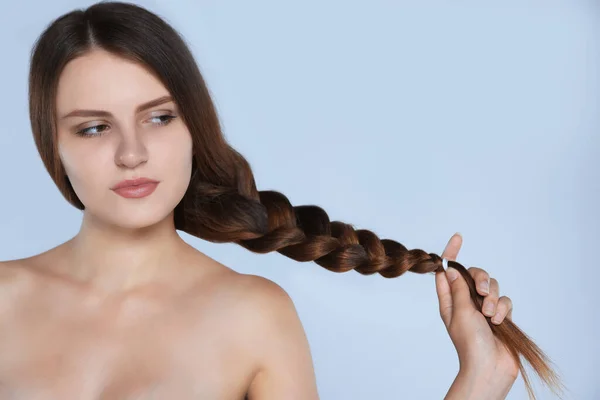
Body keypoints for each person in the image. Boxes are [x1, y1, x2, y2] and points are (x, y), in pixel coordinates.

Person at [0, 1, 561, 399]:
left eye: (159, 117)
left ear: (194, 125)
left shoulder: (254, 316)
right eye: (94, 128)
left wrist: (480, 383)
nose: (132, 153)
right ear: (53, 145)